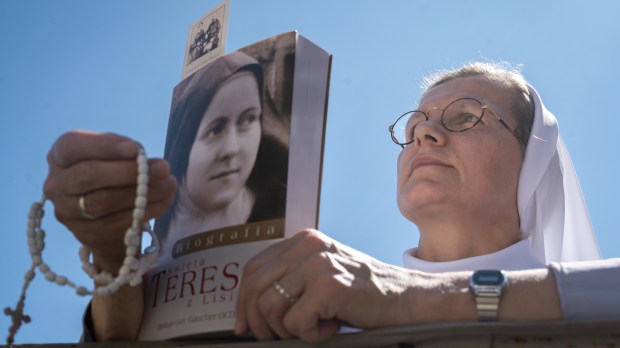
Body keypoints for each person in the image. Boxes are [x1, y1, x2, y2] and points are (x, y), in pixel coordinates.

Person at [42, 62, 619, 342]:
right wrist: (115, 260)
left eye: (465, 117)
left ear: (533, 161)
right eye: (415, 126)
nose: (425, 134)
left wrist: (409, 300)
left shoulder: (591, 311)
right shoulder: (328, 312)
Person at [154, 50, 288, 254]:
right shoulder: (157, 225)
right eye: (215, 130)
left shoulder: (280, 209)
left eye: (247, 120)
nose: (232, 149)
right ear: (184, 142)